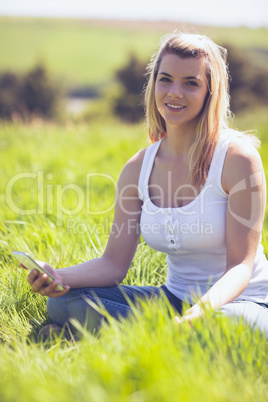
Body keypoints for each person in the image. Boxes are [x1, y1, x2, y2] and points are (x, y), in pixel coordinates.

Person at [26, 32, 268, 336]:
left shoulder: (237, 159)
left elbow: (240, 267)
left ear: (210, 92)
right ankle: (167, 337)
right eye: (165, 79)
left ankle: (123, 338)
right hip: (173, 300)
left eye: (190, 83)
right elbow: (113, 264)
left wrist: (201, 312)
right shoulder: (138, 168)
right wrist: (57, 276)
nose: (174, 92)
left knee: (218, 327)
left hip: (241, 302)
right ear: (153, 85)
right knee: (64, 302)